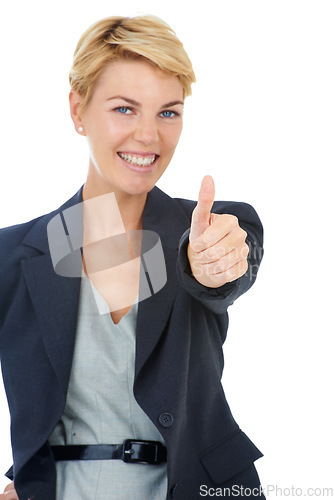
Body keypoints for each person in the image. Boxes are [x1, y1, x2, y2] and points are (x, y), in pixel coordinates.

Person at [0, 15, 265, 500]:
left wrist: (209, 266)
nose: (148, 135)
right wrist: (25, 477)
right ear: (78, 111)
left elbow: (224, 267)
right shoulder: (14, 255)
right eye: (125, 109)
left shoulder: (209, 230)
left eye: (168, 112)